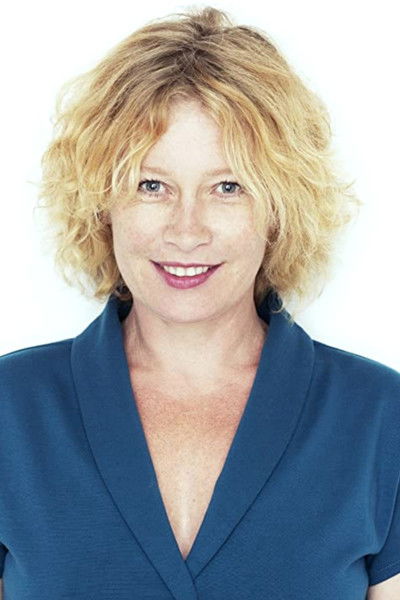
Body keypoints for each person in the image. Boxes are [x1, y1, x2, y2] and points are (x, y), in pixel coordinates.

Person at [0, 6, 399, 600]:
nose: (187, 231)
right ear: (102, 203)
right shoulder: (11, 408)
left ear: (279, 209)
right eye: (152, 185)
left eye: (227, 187)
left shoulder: (380, 418)